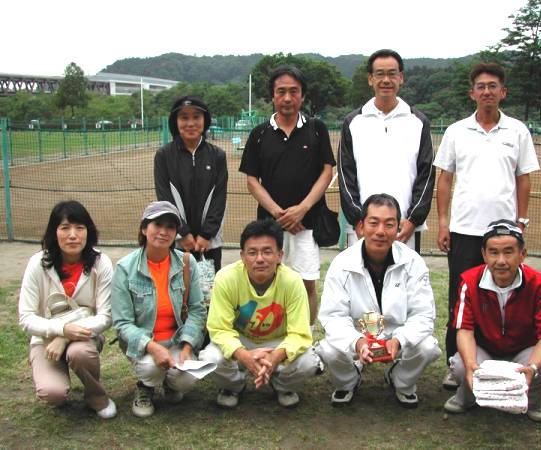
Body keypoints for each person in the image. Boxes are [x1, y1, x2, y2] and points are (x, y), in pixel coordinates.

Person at [433, 63, 540, 389]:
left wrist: (521, 222)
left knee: (502, 299)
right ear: (472, 93)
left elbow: (523, 178)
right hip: (465, 231)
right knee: (460, 298)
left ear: (502, 92)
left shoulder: (518, 131)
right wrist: (443, 222)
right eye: (481, 86)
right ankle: (456, 365)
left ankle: (499, 361)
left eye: (493, 86)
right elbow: (445, 179)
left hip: (504, 234)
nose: (487, 91)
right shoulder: (456, 131)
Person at [318, 193, 441, 407]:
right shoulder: (341, 264)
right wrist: (357, 342)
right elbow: (333, 316)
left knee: (428, 347)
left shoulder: (413, 262)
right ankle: (348, 381)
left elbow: (423, 315)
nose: (381, 231)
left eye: (389, 224)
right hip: (358, 335)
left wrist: (399, 340)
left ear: (398, 228)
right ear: (361, 227)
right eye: (373, 223)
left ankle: (401, 381)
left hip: (396, 335)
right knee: (328, 349)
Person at [443, 220, 541, 422]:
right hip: (485, 349)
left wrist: (532, 367)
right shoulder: (468, 281)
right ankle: (466, 398)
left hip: (523, 351)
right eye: (493, 252)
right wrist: (470, 363)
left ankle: (534, 403)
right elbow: (464, 330)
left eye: (508, 252)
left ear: (522, 254)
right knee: (460, 365)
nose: (501, 260)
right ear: (484, 254)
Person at [239, 65, 336, 325]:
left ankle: (305, 339)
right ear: (272, 96)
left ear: (302, 96)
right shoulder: (259, 134)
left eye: (294, 91)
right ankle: (268, 337)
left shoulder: (317, 129)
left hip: (307, 225)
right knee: (267, 285)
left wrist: (302, 209)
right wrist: (278, 214)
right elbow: (252, 180)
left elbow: (327, 171)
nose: (287, 98)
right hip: (270, 227)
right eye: (281, 91)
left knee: (306, 285)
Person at [198, 219, 322, 408]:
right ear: (242, 256)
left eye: (267, 251)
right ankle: (234, 386)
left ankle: (282, 385)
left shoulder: (293, 281)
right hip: (240, 340)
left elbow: (299, 333)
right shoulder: (225, 278)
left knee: (309, 362)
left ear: (280, 255)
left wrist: (275, 357)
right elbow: (219, 329)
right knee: (210, 358)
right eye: (252, 252)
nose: (260, 259)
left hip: (277, 342)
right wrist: (244, 355)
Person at [18, 200, 116, 419]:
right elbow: (26, 317)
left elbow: (106, 316)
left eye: (79, 228)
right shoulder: (37, 263)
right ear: (54, 232)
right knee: (52, 393)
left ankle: (96, 397)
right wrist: (60, 330)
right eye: (65, 228)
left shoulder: (101, 263)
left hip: (84, 336)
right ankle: (53, 374)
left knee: (80, 353)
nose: (73, 235)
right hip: (45, 340)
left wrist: (65, 336)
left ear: (88, 232)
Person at [111, 201, 207, 417]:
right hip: (145, 342)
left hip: (177, 339)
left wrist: (187, 347)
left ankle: (170, 383)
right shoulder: (125, 268)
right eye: (157, 224)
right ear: (144, 229)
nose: (164, 232)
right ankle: (145, 386)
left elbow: (197, 309)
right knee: (151, 368)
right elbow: (122, 323)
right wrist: (152, 347)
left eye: (170, 227)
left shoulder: (186, 262)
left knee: (186, 379)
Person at [338, 49, 434, 253]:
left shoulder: (418, 121)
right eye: (380, 74)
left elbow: (426, 175)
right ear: (370, 79)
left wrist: (413, 220)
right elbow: (346, 175)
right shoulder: (353, 122)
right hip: (362, 229)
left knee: (404, 274)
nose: (386, 80)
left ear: (401, 78)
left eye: (392, 74)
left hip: (404, 227)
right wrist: (359, 220)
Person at [154, 95, 228, 271]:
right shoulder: (164, 155)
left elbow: (219, 198)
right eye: (184, 117)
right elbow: (165, 197)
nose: (190, 123)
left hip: (208, 243)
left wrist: (206, 234)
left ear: (205, 120)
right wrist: (183, 233)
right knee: (177, 285)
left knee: (209, 287)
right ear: (175, 121)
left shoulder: (217, 155)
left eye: (196, 117)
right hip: (177, 240)